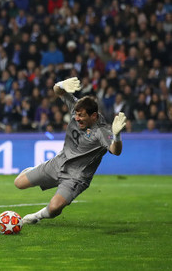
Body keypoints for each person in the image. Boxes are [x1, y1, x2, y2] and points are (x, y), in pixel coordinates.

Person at [14, 77, 126, 224]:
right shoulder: (76, 107)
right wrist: (60, 85)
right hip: (57, 163)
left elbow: (115, 151)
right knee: (18, 183)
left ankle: (36, 217)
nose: (77, 118)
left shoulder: (102, 131)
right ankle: (38, 168)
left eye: (81, 116)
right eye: (77, 115)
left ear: (93, 116)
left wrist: (117, 136)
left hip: (76, 177)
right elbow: (57, 91)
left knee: (54, 209)